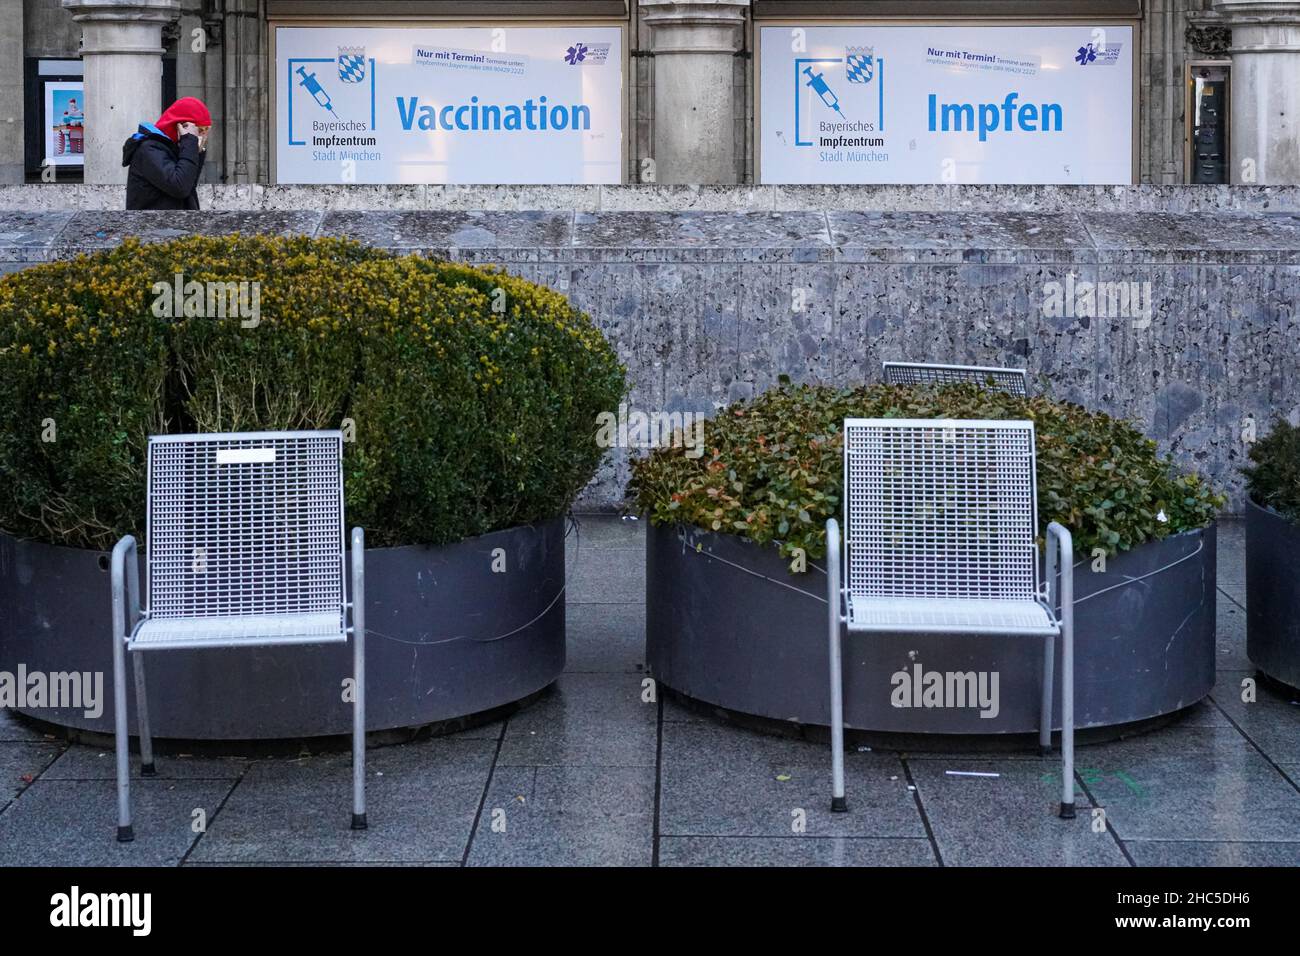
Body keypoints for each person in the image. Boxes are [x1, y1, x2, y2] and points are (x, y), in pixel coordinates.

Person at [122, 97, 212, 210]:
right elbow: (180, 187)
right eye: (199, 130)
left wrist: (197, 150)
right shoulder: (149, 150)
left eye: (205, 131)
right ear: (180, 127)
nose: (201, 136)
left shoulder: (175, 149)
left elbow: (189, 186)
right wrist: (189, 143)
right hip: (153, 225)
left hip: (173, 224)